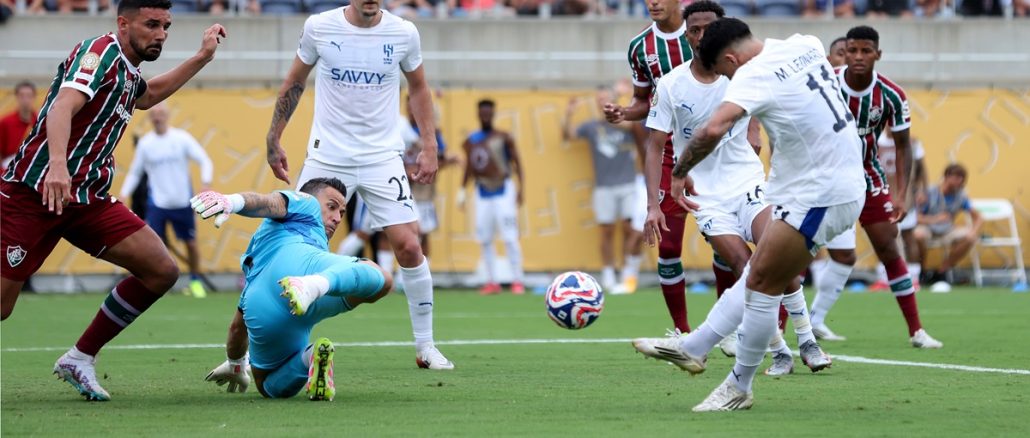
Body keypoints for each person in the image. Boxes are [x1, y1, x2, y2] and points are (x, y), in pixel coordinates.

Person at [0, 0, 225, 401]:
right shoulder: (100, 53)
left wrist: (202, 58)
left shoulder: (128, 68)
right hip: (35, 193)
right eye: (151, 24)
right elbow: (62, 107)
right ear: (123, 23)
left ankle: (80, 358)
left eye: (166, 26)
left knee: (160, 270)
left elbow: (149, 94)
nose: (160, 34)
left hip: (86, 199)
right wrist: (56, 164)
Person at [638, 18, 866, 412]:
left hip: (821, 192)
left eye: (726, 70)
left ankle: (738, 384)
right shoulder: (806, 43)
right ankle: (694, 347)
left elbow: (712, 129)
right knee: (757, 272)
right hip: (828, 183)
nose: (729, 78)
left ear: (730, 58)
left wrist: (676, 175)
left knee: (762, 281)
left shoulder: (752, 74)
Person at [264, 0, 453, 370]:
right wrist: (274, 137)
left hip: (382, 156)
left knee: (410, 246)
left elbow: (418, 88)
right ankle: (261, 347)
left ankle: (426, 347)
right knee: (291, 248)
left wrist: (430, 145)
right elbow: (294, 82)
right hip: (328, 155)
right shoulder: (319, 27)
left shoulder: (403, 32)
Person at [805, 26, 942, 350]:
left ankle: (916, 331)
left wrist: (901, 194)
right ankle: (780, 331)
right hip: (823, 178)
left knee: (889, 247)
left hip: (867, 176)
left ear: (878, 54)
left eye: (866, 51)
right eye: (852, 50)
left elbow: (904, 146)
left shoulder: (891, 95)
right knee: (798, 252)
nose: (858, 57)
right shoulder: (825, 82)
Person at [195, 178, 393, 401]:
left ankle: (310, 358)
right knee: (381, 278)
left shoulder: (261, 251)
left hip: (262, 303)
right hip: (300, 270)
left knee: (266, 384)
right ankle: (313, 285)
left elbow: (236, 329)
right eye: (331, 206)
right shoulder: (306, 203)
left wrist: (236, 363)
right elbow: (268, 202)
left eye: (342, 212)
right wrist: (231, 201)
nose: (337, 218)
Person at [604, 0, 712, 335]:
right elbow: (644, 101)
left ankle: (742, 330)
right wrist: (624, 112)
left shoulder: (706, 31)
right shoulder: (640, 47)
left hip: (713, 151)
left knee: (730, 244)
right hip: (668, 152)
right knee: (667, 247)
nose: (653, 2)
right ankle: (682, 331)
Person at [119, 103, 214, 298]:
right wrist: (123, 193)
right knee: (153, 245)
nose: (157, 117)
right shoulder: (146, 144)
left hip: (182, 202)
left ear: (167, 115)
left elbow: (205, 160)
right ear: (150, 118)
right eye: (153, 114)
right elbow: (135, 173)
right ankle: (156, 282)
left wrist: (206, 184)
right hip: (157, 204)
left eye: (161, 113)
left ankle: (195, 281)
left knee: (191, 243)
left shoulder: (181, 139)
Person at [563, 87, 644, 294]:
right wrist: (569, 113)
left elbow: (636, 128)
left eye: (606, 98)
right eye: (599, 100)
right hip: (603, 186)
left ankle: (628, 273)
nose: (602, 102)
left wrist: (621, 105)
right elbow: (567, 135)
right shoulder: (592, 126)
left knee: (630, 228)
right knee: (606, 232)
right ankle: (608, 273)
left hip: (628, 183)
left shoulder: (626, 123)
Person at [457, 99, 526, 295]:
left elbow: (517, 163)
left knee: (510, 237)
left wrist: (522, 188)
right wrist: (462, 190)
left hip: (503, 189)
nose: (485, 116)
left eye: (489, 113)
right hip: (482, 191)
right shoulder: (471, 140)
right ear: (478, 114)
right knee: (485, 238)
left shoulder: (503, 137)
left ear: (493, 114)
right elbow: (469, 167)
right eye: (482, 113)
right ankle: (491, 280)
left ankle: (517, 280)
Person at [869, 130, 928, 291]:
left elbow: (922, 169)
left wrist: (923, 189)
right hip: (881, 197)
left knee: (909, 237)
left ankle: (914, 278)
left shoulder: (911, 141)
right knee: (881, 238)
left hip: (905, 198)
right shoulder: (875, 140)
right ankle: (883, 279)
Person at [913, 163, 983, 292]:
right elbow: (915, 217)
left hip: (947, 230)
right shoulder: (930, 192)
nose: (959, 181)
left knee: (970, 237)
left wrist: (974, 231)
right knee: (918, 235)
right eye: (956, 177)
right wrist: (935, 219)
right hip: (927, 227)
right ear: (946, 176)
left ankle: (942, 270)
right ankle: (922, 271)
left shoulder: (961, 196)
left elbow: (978, 216)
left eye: (962, 178)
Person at [1, 82, 38, 173]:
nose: (25, 100)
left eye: (29, 96)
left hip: (34, 168)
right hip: (9, 169)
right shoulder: (5, 122)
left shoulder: (41, 121)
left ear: (34, 97)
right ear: (16, 97)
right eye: (22, 96)